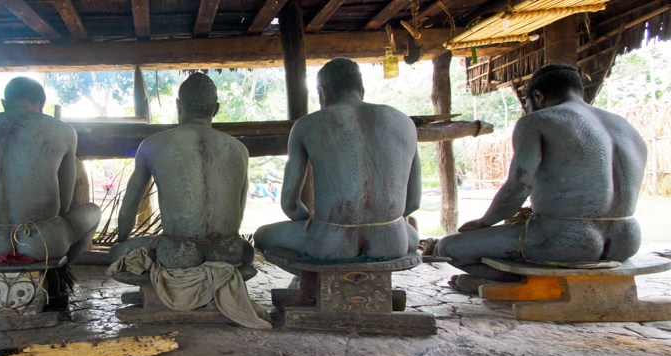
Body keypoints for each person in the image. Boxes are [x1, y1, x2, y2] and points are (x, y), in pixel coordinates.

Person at [435, 64, 647, 292]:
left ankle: (521, 286)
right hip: (626, 241)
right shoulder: (624, 126)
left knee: (448, 247)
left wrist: (484, 223)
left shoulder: (537, 121)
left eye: (527, 105)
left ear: (538, 96)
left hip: (565, 241)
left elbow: (518, 186)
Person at [253, 58, 421, 266]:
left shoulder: (306, 125)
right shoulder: (405, 122)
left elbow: (290, 204)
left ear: (323, 93)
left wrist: (313, 224)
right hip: (392, 243)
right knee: (411, 235)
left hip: (331, 244)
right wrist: (382, 224)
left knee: (261, 235)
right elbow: (413, 202)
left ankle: (309, 280)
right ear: (362, 90)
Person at [108, 73, 255, 280]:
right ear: (216, 109)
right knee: (247, 250)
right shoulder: (239, 150)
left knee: (115, 253)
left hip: (178, 253)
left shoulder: (151, 145)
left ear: (178, 105)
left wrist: (122, 241)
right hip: (227, 252)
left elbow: (128, 207)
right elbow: (238, 213)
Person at [0, 77, 100, 264]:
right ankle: (61, 269)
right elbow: (64, 206)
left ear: (4, 103)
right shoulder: (63, 131)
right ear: (42, 104)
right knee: (93, 211)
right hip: (42, 243)